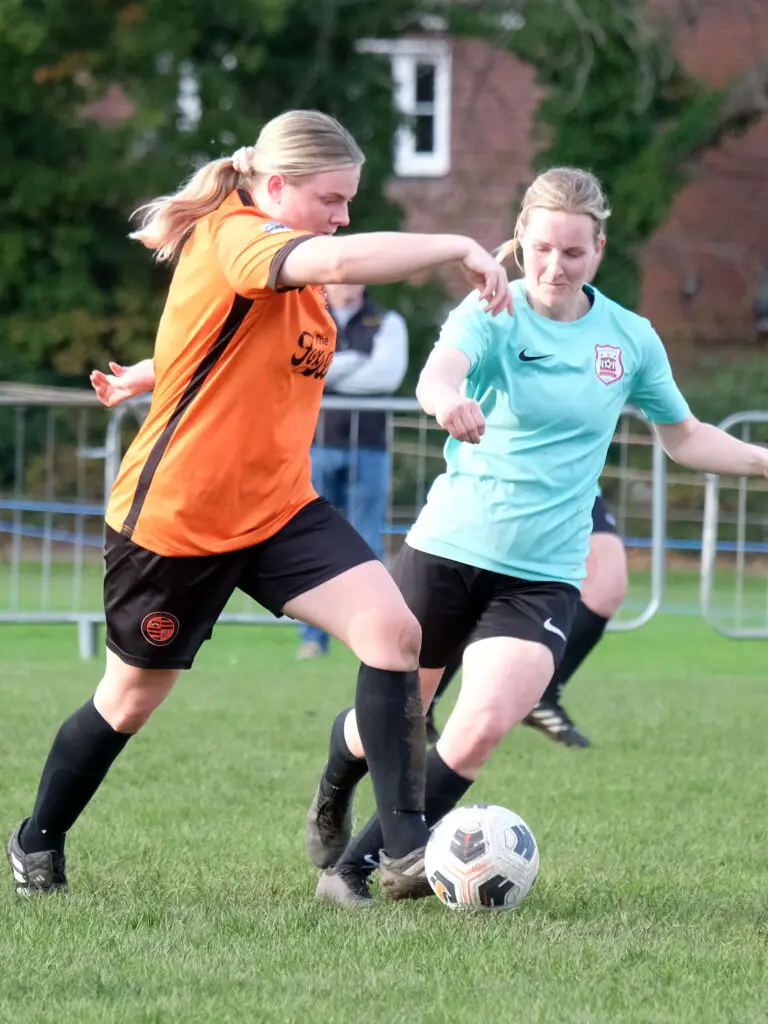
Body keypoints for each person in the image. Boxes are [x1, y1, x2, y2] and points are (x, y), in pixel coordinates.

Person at [5, 109, 513, 897]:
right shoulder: (240, 235)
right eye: (330, 198)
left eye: (350, 200)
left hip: (279, 511)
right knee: (130, 699)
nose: (343, 215)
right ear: (275, 187)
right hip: (180, 518)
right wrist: (458, 246)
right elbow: (326, 258)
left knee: (392, 631)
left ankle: (406, 846)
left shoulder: (295, 280)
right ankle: (36, 840)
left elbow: (226, 338)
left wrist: (152, 370)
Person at [305, 165, 768, 906]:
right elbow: (436, 377)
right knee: (391, 725)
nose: (555, 267)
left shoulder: (629, 338)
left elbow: (684, 438)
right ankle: (336, 779)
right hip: (449, 550)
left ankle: (356, 872)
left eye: (574, 253)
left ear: (599, 250)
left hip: (545, 569)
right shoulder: (492, 310)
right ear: (519, 240)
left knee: (483, 722)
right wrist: (448, 402)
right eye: (542, 248)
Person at [425, 486, 628, 748]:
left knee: (607, 584)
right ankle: (420, 704)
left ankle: (541, 695)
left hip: (576, 475)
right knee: (479, 585)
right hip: (511, 472)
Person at [297, 283, 408, 659]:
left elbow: (386, 377)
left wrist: (325, 370)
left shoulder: (388, 321)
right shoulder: (307, 317)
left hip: (370, 448)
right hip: (313, 445)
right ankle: (313, 639)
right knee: (312, 543)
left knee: (367, 543)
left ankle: (373, 636)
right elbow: (295, 371)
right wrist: (357, 360)